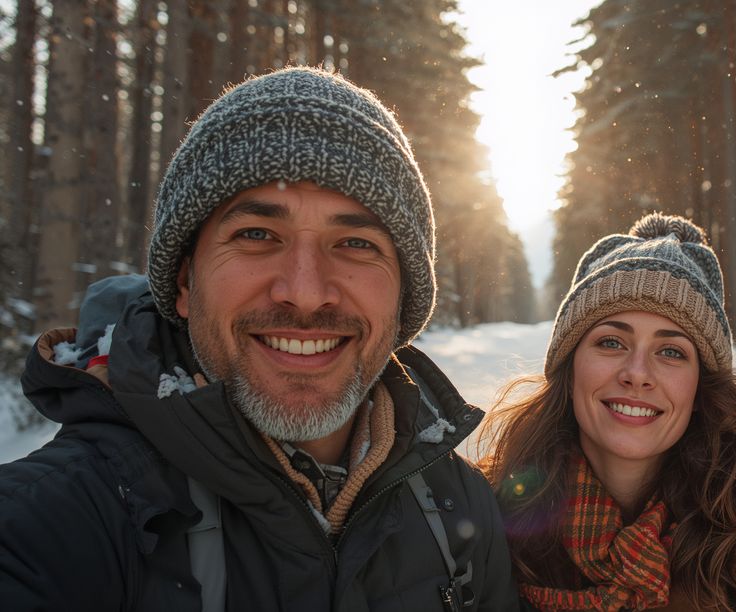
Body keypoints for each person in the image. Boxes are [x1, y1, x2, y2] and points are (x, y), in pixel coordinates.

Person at [0, 67, 519, 611]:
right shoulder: (54, 526)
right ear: (183, 281)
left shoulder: (460, 507)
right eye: (256, 234)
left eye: (355, 242)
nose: (305, 292)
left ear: (402, 298)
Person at [480, 213, 736, 611]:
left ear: (702, 388)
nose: (637, 374)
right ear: (570, 367)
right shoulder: (481, 526)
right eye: (612, 342)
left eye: (671, 352)